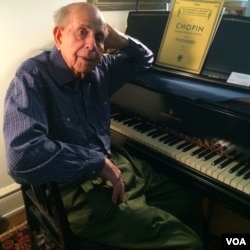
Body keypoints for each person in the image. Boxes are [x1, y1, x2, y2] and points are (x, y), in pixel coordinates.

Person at [3, 2, 204, 249]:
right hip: (74, 187)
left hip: (114, 164)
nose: (91, 45)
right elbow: (21, 157)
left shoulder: (100, 68)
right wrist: (94, 162)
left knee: (189, 199)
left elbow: (144, 59)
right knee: (189, 243)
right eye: (82, 32)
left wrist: (120, 40)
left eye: (99, 38)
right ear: (59, 35)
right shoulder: (32, 76)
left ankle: (139, 222)